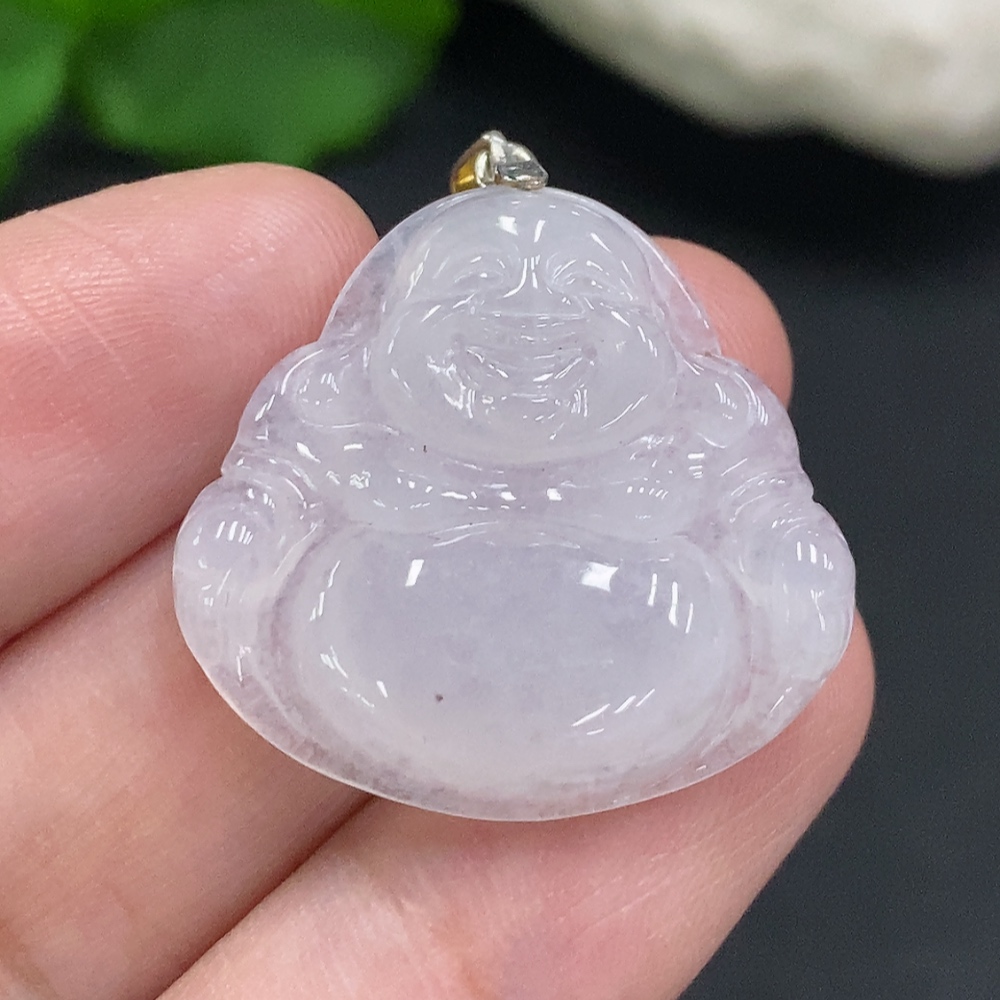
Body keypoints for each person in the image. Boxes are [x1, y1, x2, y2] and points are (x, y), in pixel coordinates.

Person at [0, 164, 873, 1000]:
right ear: (390, 324)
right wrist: (246, 535)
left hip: (654, 655)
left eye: (583, 290)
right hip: (374, 647)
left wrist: (787, 557)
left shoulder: (702, 419)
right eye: (478, 284)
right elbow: (272, 490)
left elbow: (764, 507)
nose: (531, 315)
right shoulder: (338, 407)